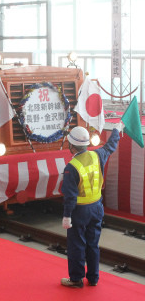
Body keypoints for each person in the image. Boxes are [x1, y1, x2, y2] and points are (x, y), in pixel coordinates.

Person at [60, 123, 124, 288]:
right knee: (93, 244)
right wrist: (116, 129)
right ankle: (94, 278)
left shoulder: (71, 168)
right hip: (97, 208)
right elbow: (110, 146)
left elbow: (70, 197)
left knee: (77, 245)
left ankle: (76, 279)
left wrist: (67, 216)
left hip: (79, 212)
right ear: (87, 144)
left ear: (71, 146)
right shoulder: (98, 155)